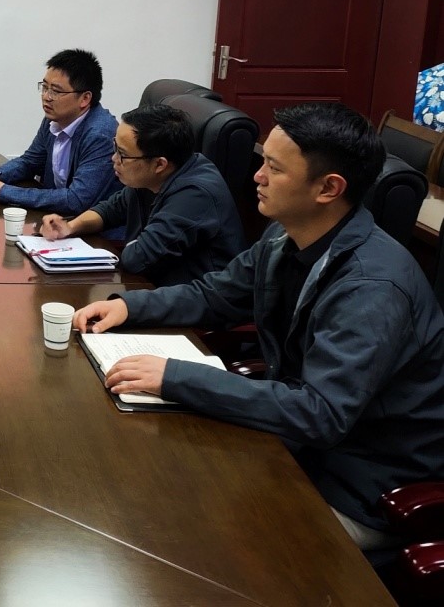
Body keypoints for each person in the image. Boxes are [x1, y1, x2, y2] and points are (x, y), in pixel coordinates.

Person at [73, 103, 444, 550]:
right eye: (263, 161)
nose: (257, 176)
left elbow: (320, 413)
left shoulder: (372, 286)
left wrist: (177, 377)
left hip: (361, 487)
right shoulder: (287, 234)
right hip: (299, 447)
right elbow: (216, 294)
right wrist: (130, 307)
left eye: (274, 168)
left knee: (184, 529)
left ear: (329, 188)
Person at [38, 104, 246, 285]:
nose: (114, 159)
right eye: (115, 148)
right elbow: (111, 209)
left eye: (122, 154)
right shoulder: (154, 176)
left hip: (197, 305)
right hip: (157, 288)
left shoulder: (195, 195)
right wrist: (70, 227)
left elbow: (137, 259)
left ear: (159, 164)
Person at [0, 48, 122, 220]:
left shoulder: (100, 134)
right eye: (44, 87)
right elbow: (29, 162)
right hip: (56, 219)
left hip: (97, 229)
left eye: (56, 91)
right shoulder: (54, 119)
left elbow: (77, 200)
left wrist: (4, 192)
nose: (46, 97)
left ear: (85, 99)